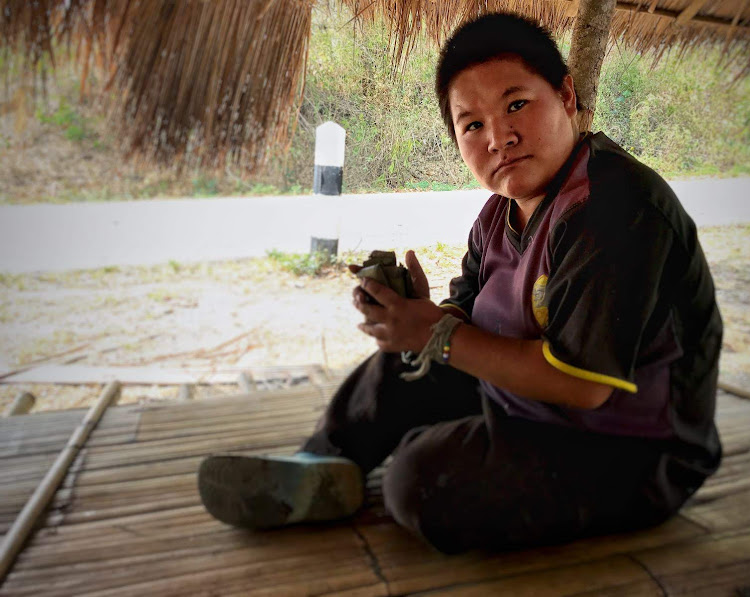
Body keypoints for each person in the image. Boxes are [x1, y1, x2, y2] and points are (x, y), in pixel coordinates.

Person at [198, 13, 723, 554]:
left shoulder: (616, 207)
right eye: (471, 125)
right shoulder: (498, 216)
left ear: (566, 94)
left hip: (632, 451)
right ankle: (321, 464)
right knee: (402, 363)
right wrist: (419, 316)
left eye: (516, 104)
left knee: (420, 481)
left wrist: (439, 336)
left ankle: (412, 452)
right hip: (527, 403)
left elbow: (585, 384)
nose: (500, 138)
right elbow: (469, 320)